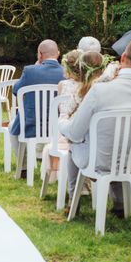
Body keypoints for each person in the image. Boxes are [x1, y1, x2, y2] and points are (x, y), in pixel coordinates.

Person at [60, 39, 131, 213]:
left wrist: (62, 121)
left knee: (73, 144)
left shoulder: (99, 90)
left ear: (123, 58)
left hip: (99, 161)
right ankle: (120, 204)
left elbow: (75, 132)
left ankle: (73, 203)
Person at [41, 50, 107, 182]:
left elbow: (68, 120)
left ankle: (72, 192)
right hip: (95, 139)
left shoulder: (66, 86)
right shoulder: (93, 87)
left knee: (67, 143)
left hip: (67, 132)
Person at [8, 39, 64, 174]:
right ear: (58, 54)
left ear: (39, 54)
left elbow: (16, 91)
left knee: (12, 130)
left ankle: (24, 167)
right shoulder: (66, 72)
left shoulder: (30, 70)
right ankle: (53, 167)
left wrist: (35, 65)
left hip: (31, 125)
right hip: (58, 127)